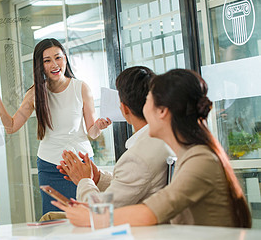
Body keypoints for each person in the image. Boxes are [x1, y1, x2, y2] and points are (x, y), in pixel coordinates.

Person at [53, 69, 252, 228]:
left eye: (148, 101)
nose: (143, 107)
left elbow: (151, 211)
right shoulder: (190, 153)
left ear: (163, 112)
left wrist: (92, 216)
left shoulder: (200, 159)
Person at [0, 38, 111, 214]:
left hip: (81, 167)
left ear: (65, 58)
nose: (54, 64)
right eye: (47, 60)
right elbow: (11, 126)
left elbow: (92, 133)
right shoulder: (35, 93)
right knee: (53, 223)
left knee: (86, 218)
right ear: (40, 66)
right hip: (50, 167)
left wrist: (99, 126)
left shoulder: (81, 88)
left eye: (58, 58)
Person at [41, 66, 174, 222]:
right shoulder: (161, 140)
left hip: (128, 226)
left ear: (123, 108)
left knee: (48, 220)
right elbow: (131, 185)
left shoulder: (138, 157)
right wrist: (98, 177)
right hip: (135, 216)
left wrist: (84, 180)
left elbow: (97, 213)